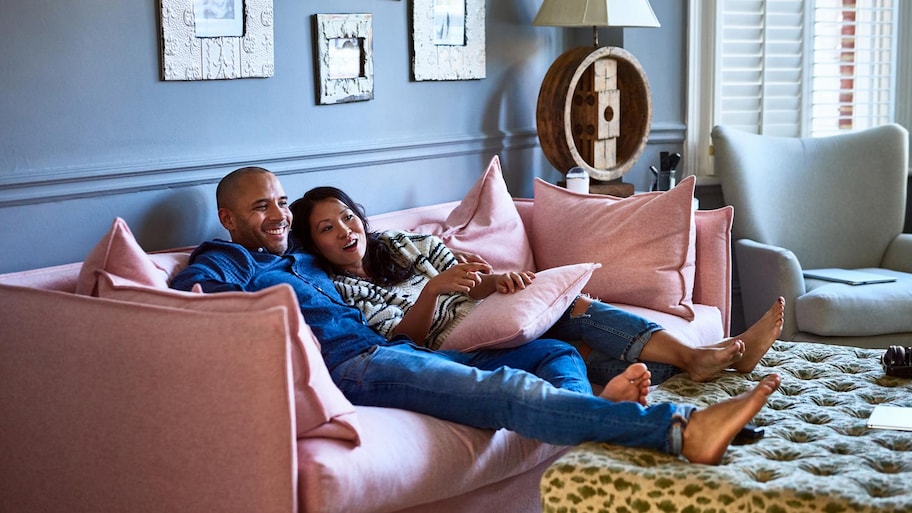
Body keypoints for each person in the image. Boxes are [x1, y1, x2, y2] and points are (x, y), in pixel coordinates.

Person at [170, 166, 782, 465]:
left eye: (280, 202)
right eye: (260, 208)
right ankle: (677, 429)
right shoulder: (229, 256)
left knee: (550, 352)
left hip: (400, 354)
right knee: (507, 389)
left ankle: (605, 415)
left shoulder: (301, 257)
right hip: (354, 367)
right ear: (229, 219)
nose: (276, 214)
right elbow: (194, 301)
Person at [289, 186, 785, 388]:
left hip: (479, 312)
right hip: (444, 340)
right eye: (326, 228)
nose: (345, 231)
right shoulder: (334, 289)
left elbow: (470, 280)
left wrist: (492, 282)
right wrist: (434, 292)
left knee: (578, 329)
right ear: (312, 242)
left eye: (347, 217)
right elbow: (403, 340)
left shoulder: (397, 244)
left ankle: (705, 359)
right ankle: (706, 357)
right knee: (571, 320)